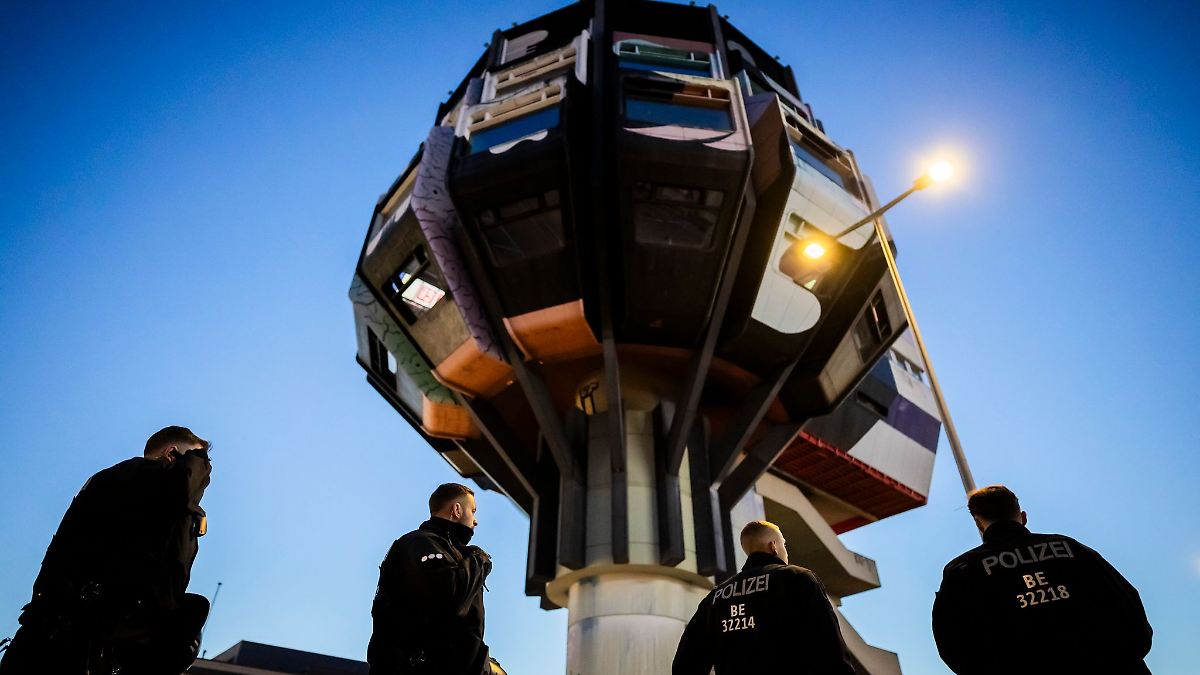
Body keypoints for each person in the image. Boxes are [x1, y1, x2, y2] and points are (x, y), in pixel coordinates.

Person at [0, 425, 213, 675]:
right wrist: (199, 461)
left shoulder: (141, 491)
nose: (203, 469)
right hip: (74, 636)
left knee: (193, 609)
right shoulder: (141, 475)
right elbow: (181, 488)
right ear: (171, 453)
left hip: (81, 635)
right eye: (194, 458)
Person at [932, 484, 1152, 674]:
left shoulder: (962, 571)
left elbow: (953, 647)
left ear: (979, 525)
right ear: (1023, 517)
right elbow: (1128, 606)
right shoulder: (1071, 549)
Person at [673, 520, 856, 674]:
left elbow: (686, 663)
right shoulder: (797, 579)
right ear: (773, 546)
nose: (785, 549)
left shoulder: (716, 597)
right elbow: (827, 648)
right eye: (784, 544)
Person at [368, 483, 504, 675]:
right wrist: (479, 561)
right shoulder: (419, 544)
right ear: (456, 510)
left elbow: (458, 634)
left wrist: (486, 667)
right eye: (472, 511)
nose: (475, 521)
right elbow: (451, 599)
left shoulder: (455, 555)